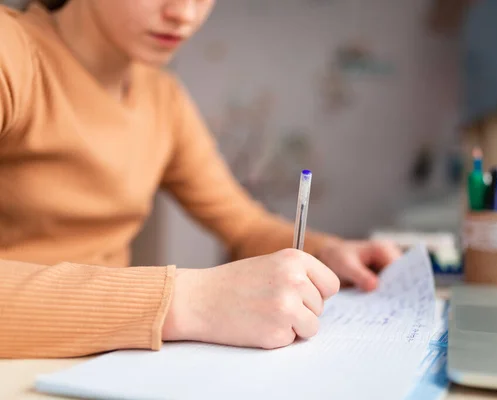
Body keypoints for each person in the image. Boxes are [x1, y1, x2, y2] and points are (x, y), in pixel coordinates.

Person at [0, 0, 401, 359]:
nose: (185, 14)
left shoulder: (162, 97)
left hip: (99, 361)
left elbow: (242, 223)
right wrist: (191, 301)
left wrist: (327, 251)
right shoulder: (12, 54)